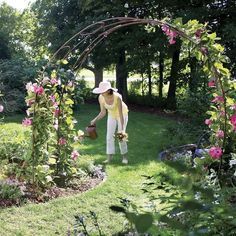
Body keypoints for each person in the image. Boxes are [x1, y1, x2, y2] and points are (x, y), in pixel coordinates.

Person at [90, 81, 129, 164]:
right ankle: (109, 158)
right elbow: (103, 112)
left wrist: (122, 129)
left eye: (103, 90)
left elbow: (121, 114)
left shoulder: (117, 97)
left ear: (108, 90)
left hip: (122, 114)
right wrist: (95, 120)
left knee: (121, 136)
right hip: (111, 115)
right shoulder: (101, 97)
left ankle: (124, 157)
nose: (101, 92)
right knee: (109, 136)